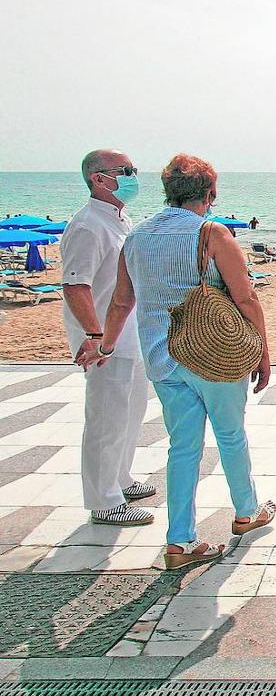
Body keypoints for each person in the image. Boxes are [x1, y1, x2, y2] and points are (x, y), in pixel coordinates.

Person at [77, 154, 276, 570]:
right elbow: (245, 297)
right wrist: (262, 349)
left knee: (182, 447)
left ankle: (180, 541)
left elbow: (121, 301)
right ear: (210, 193)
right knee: (230, 435)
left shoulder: (138, 237)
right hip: (215, 355)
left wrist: (106, 346)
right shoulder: (212, 234)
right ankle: (246, 512)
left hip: (163, 357)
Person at [61, 149, 154, 527]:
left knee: (131, 411)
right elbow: (74, 285)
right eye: (126, 171)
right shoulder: (88, 225)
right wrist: (95, 335)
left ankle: (120, 478)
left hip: (128, 333)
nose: (134, 176)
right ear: (99, 178)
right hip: (103, 338)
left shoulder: (118, 219)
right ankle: (104, 500)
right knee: (106, 416)